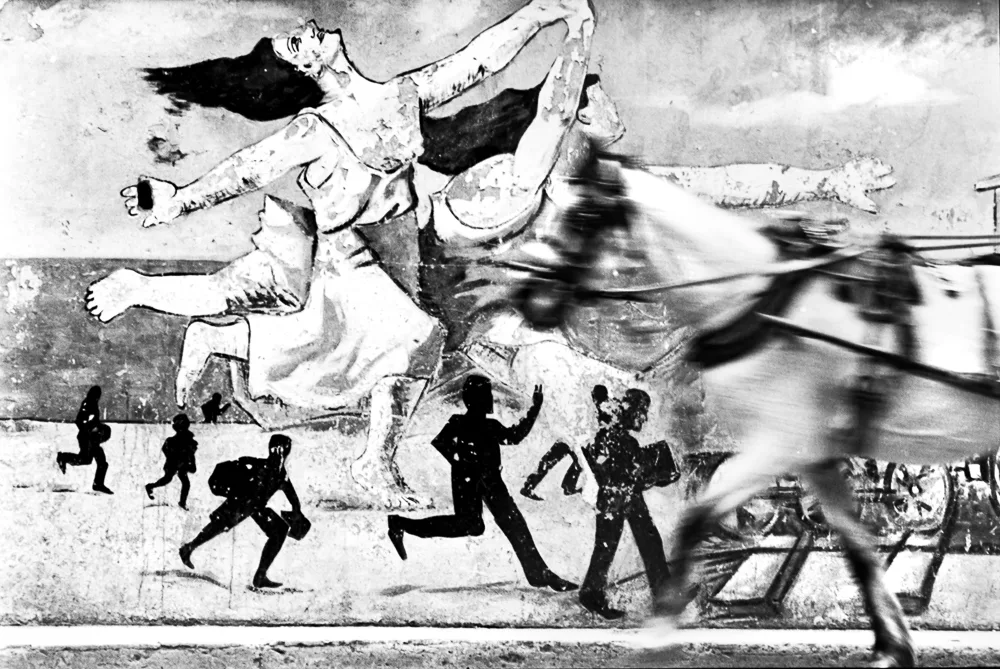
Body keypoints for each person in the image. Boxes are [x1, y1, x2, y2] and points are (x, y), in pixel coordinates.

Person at [86, 0, 596, 508]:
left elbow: (479, 60)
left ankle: (217, 338)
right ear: (306, 68)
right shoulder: (315, 129)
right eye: (295, 43)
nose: (307, 27)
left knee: (340, 349)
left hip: (401, 250)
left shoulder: (402, 95)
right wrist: (178, 200)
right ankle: (375, 461)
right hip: (350, 254)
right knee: (407, 339)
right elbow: (246, 169)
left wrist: (542, 12)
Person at [387, 375, 577, 592]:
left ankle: (538, 572)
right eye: (487, 395)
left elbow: (514, 437)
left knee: (507, 523)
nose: (490, 400)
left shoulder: (488, 425)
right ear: (475, 399)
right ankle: (400, 523)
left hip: (488, 480)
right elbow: (441, 442)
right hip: (469, 480)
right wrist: (460, 461)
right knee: (476, 525)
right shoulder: (461, 422)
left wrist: (535, 408)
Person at [579, 388, 671, 619]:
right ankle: (591, 594)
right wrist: (654, 473)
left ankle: (664, 596)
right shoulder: (616, 437)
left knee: (649, 541)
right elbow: (622, 472)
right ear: (631, 410)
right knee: (606, 548)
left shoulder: (620, 437)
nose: (645, 418)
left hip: (626, 496)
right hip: (616, 498)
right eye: (642, 412)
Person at [180, 434, 303, 589]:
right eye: (281, 450)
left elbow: (293, 498)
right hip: (240, 503)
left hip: (255, 507)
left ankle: (260, 576)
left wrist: (296, 515)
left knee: (279, 530)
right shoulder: (259, 466)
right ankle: (188, 548)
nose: (281, 455)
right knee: (219, 526)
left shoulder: (280, 475)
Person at [519, 384, 616, 500]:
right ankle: (536, 486)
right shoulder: (594, 407)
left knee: (563, 462)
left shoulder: (599, 408)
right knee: (560, 461)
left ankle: (561, 487)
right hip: (572, 439)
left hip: (574, 440)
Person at [56, 386, 114, 495]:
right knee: (86, 460)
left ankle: (98, 484)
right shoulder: (88, 404)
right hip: (87, 438)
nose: (98, 397)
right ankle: (63, 457)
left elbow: (91, 421)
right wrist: (90, 429)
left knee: (100, 462)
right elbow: (79, 421)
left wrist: (97, 428)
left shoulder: (92, 403)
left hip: (92, 439)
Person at [145, 413, 198, 509]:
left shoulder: (184, 438)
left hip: (180, 463)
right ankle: (150, 486)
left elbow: (190, 452)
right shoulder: (175, 440)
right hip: (175, 463)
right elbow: (166, 449)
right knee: (168, 479)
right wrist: (173, 458)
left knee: (184, 482)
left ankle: (182, 502)